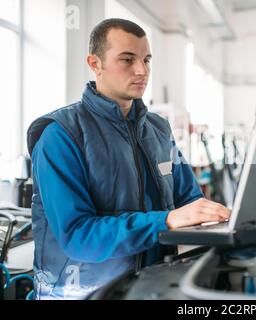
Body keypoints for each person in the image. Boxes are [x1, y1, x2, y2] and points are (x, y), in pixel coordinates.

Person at [27, 18, 230, 300]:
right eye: (127, 59)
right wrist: (167, 221)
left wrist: (222, 218)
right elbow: (78, 237)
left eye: (147, 60)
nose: (141, 70)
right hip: (83, 292)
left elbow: (191, 201)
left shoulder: (159, 130)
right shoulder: (61, 135)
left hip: (150, 285)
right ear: (95, 64)